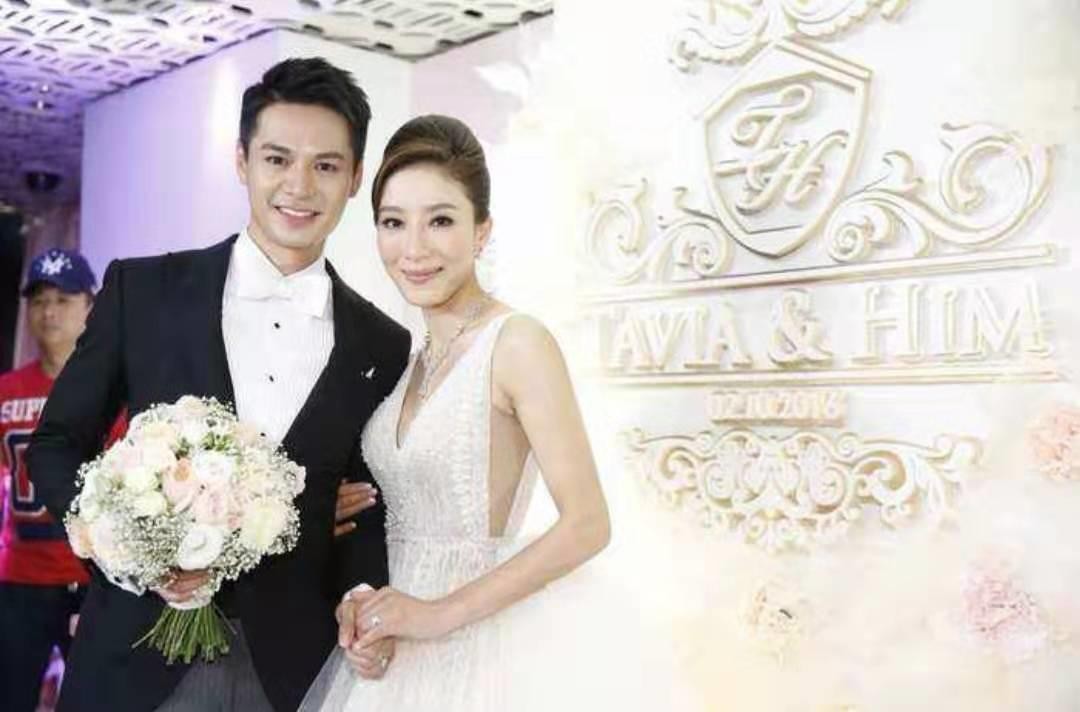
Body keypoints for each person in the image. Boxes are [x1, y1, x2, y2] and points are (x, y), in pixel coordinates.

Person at [26, 57, 408, 712]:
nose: (299, 186)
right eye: (277, 159)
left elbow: (366, 504)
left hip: (292, 668)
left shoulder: (381, 342)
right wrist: (124, 550)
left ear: (354, 179)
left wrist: (361, 596)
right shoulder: (143, 290)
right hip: (133, 657)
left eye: (325, 165)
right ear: (241, 161)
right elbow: (57, 444)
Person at [300, 114, 617, 711]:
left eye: (440, 220)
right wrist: (366, 605)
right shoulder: (408, 361)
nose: (414, 249)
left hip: (483, 647)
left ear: (481, 231)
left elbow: (588, 524)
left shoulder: (518, 343)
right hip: (398, 653)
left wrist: (437, 614)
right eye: (394, 222)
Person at [0, 249, 98, 712]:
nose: (49, 312)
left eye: (63, 299)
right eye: (39, 301)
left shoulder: (112, 386)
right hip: (22, 579)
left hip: (94, 580)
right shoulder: (6, 391)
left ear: (90, 305)